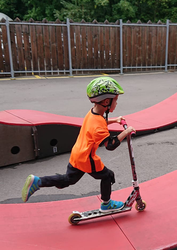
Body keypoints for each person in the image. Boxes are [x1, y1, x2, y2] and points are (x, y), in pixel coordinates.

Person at [21, 76, 135, 211]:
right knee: (107, 175)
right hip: (87, 158)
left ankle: (38, 181)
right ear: (106, 101)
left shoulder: (93, 113)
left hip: (78, 154)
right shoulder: (98, 124)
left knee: (68, 180)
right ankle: (106, 204)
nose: (116, 103)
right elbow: (110, 145)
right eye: (115, 100)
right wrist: (126, 132)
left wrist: (115, 120)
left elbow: (100, 123)